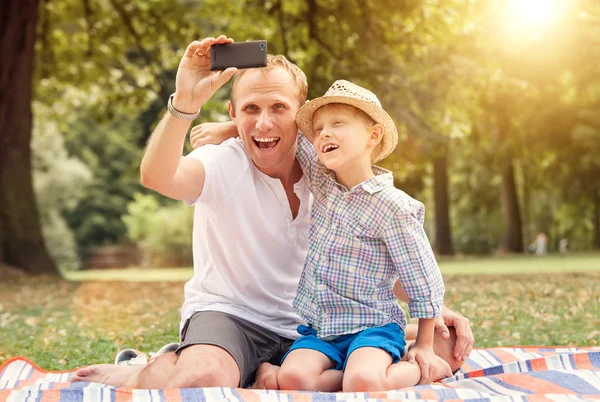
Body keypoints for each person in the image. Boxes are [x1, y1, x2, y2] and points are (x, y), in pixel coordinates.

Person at [71, 36, 473, 389]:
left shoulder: (329, 173)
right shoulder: (222, 163)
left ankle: (279, 369)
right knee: (203, 380)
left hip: (315, 324)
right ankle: (142, 370)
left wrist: (434, 311)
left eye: (278, 107)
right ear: (233, 113)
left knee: (446, 345)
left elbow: (375, 257)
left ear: (301, 117)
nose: (263, 123)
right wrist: (186, 105)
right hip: (234, 319)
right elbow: (158, 176)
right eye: (250, 110)